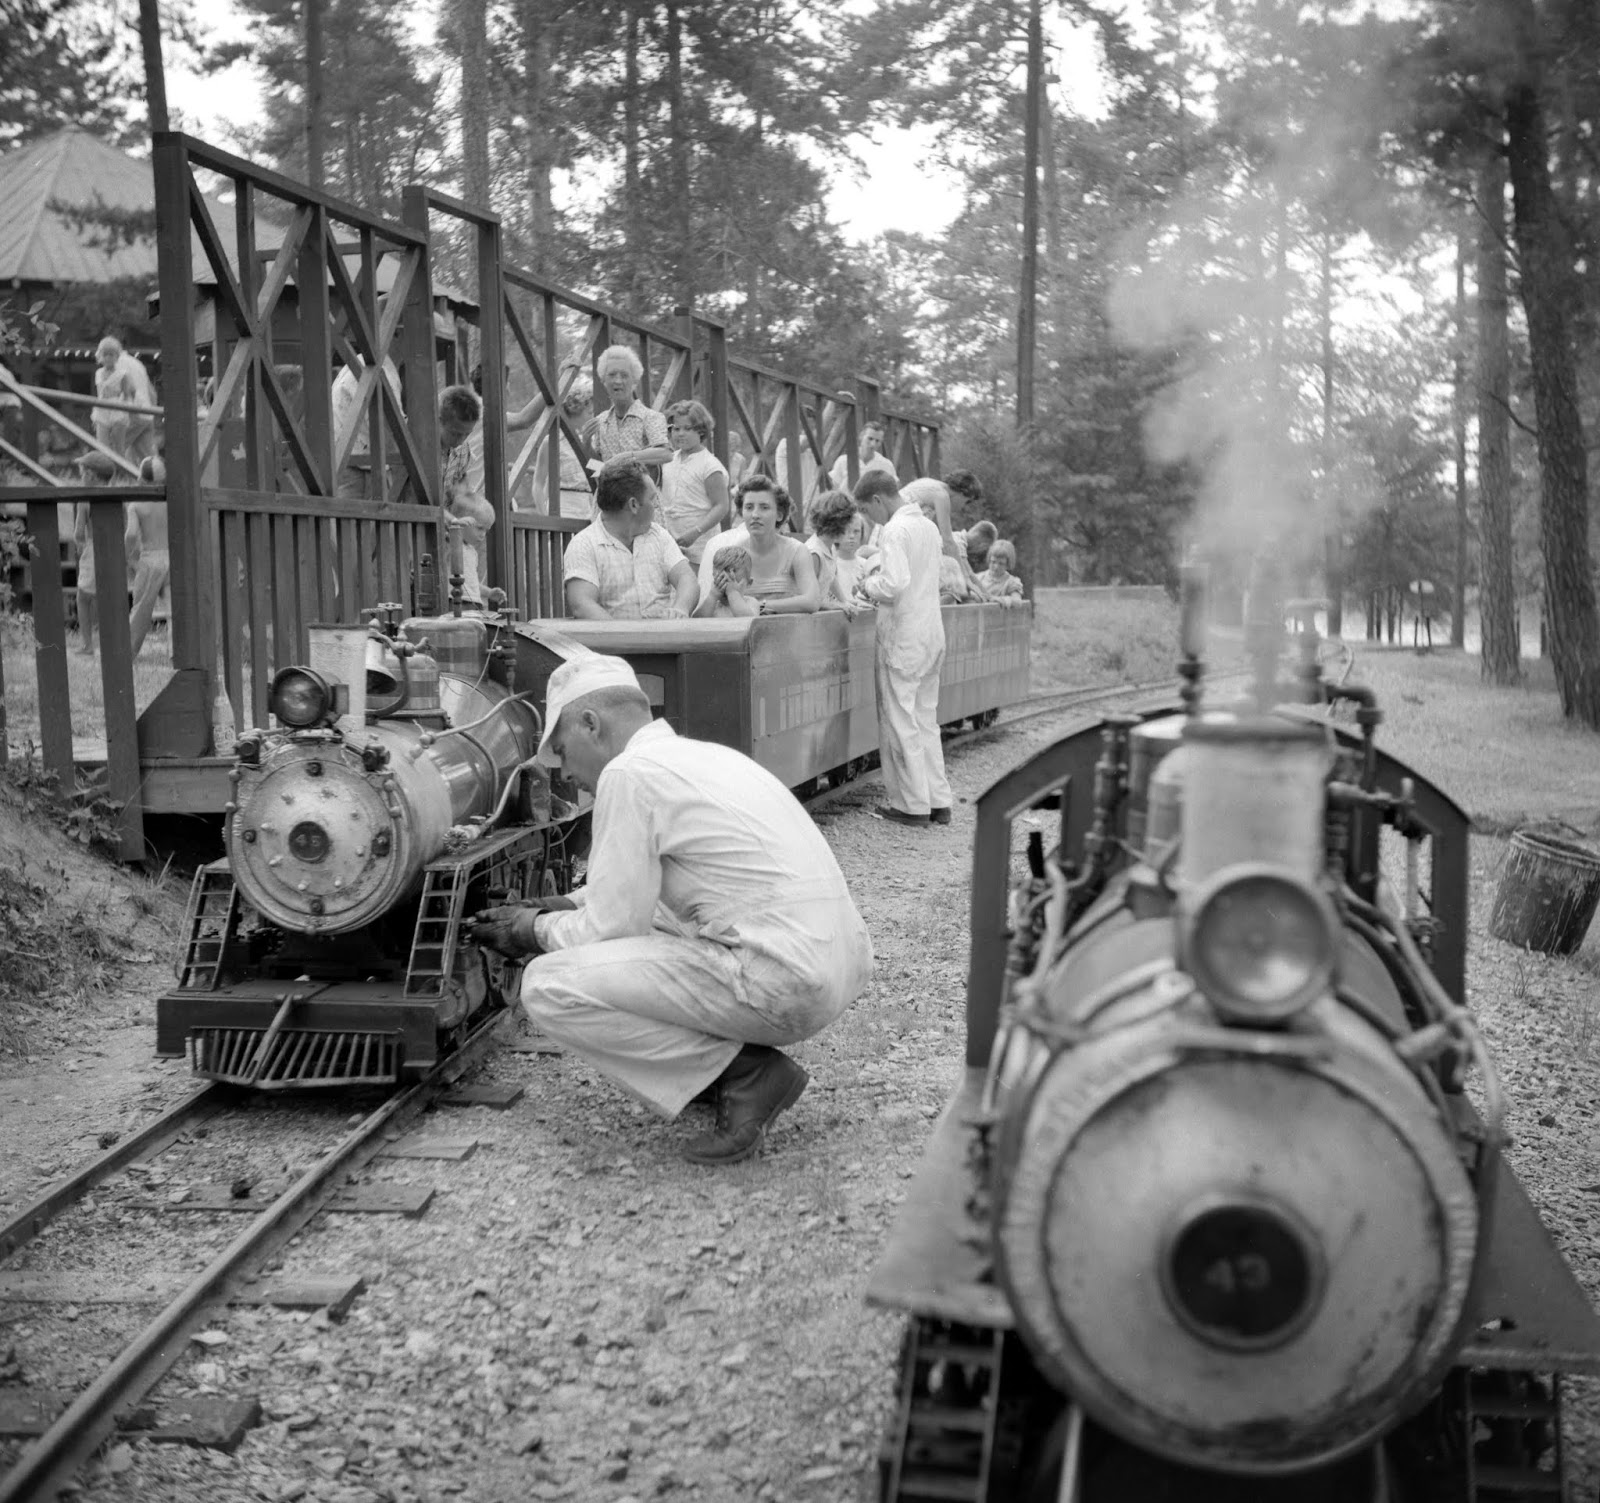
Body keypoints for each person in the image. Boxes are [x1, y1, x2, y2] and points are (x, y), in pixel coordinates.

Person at [468, 653, 873, 1164]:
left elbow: (613, 928)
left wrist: (534, 930)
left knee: (549, 986)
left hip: (782, 979)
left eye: (565, 752)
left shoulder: (629, 775)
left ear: (592, 723)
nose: (568, 774)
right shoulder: (702, 757)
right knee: (653, 927)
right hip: (836, 963)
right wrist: (564, 902)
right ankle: (723, 1075)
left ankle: (743, 1074)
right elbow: (642, 890)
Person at [856, 476, 951, 827]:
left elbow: (893, 584)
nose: (871, 518)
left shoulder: (895, 531)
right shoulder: (928, 527)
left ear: (878, 500)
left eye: (868, 510)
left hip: (904, 634)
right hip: (932, 631)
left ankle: (912, 805)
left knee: (900, 720)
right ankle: (938, 799)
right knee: (927, 719)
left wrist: (867, 584)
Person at [563, 458, 698, 619]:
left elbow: (686, 578)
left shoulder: (659, 535)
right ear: (633, 505)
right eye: (652, 498)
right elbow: (582, 604)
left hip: (664, 638)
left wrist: (680, 609)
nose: (656, 505)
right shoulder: (584, 544)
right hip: (609, 642)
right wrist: (624, 637)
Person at [696, 475, 817, 614]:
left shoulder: (797, 551)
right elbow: (715, 603)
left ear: (779, 515)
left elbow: (812, 601)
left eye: (764, 507)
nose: (755, 515)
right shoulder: (733, 554)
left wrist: (758, 606)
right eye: (749, 507)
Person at [439, 385, 496, 608]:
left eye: (467, 433)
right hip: (433, 523)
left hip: (452, 528)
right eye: (455, 432)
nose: (461, 439)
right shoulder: (425, 446)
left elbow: (461, 489)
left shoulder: (462, 451)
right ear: (440, 421)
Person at [660, 400, 730, 566]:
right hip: (673, 541)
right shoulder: (669, 459)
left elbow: (721, 505)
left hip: (700, 544)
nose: (680, 434)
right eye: (676, 429)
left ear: (701, 431)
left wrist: (696, 532)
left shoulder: (709, 465)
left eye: (688, 428)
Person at [583, 346, 672, 476]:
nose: (618, 381)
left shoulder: (650, 417)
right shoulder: (601, 421)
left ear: (634, 381)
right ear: (603, 380)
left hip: (641, 494)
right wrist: (586, 445)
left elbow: (666, 454)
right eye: (612, 375)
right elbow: (598, 469)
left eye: (624, 375)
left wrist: (628, 457)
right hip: (610, 494)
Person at [331, 344, 404, 500]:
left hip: (347, 463)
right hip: (363, 472)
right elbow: (392, 426)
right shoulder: (382, 369)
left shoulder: (358, 364)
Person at [127, 457, 169, 659]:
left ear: (141, 479)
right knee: (173, 610)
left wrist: (127, 556)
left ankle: (129, 651)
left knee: (141, 608)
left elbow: (132, 535)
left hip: (149, 558)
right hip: (170, 556)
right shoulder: (170, 500)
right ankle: (177, 653)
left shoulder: (136, 505)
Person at [94, 337, 158, 465]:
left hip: (129, 413)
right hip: (147, 413)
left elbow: (128, 392)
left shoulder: (118, 366)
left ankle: (112, 480)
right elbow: (151, 392)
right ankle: (160, 480)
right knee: (148, 459)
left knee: (110, 449)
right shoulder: (137, 363)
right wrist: (152, 412)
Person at [804, 489, 866, 613]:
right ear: (838, 522)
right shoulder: (814, 553)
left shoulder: (829, 547)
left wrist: (846, 601)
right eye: (848, 523)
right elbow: (807, 599)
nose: (850, 532)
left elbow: (830, 577)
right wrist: (835, 605)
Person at [830, 419, 897, 491]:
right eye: (870, 439)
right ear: (861, 436)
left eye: (877, 441)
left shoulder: (886, 465)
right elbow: (833, 487)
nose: (873, 444)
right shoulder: (843, 461)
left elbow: (894, 490)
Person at [694, 546, 759, 618]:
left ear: (749, 583)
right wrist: (712, 596)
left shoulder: (751, 602)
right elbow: (696, 623)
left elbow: (749, 622)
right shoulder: (712, 606)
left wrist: (733, 593)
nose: (726, 587)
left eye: (733, 582)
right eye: (720, 580)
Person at [984, 539, 1026, 605]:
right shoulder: (978, 578)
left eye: (1001, 563)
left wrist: (997, 599)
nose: (996, 567)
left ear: (1007, 564)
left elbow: (1017, 602)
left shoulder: (1011, 582)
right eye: (993, 562)